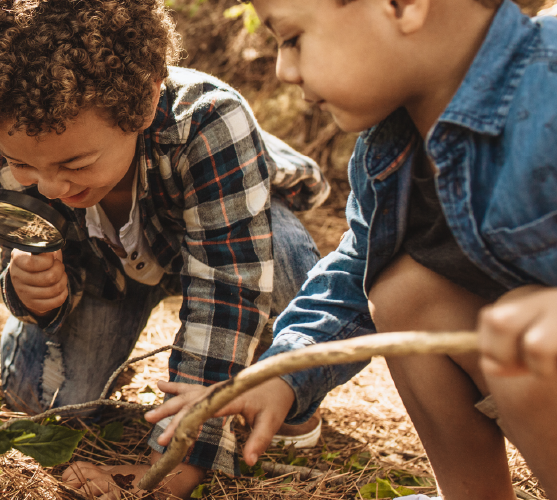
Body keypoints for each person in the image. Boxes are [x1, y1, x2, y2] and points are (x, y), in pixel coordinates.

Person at [148, 1, 557, 499]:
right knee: (404, 292)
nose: (284, 69)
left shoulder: (548, 81)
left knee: (527, 321)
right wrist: (279, 373)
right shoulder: (388, 151)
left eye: (293, 39)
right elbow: (350, 278)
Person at [0, 0, 332, 496]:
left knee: (289, 263)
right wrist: (33, 292)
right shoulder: (15, 158)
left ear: (145, 104)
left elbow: (228, 285)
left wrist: (172, 465)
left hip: (222, 236)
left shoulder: (210, 120)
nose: (50, 187)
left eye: (77, 164)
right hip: (112, 273)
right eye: (25, 165)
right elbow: (21, 261)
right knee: (40, 399)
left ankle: (285, 390)